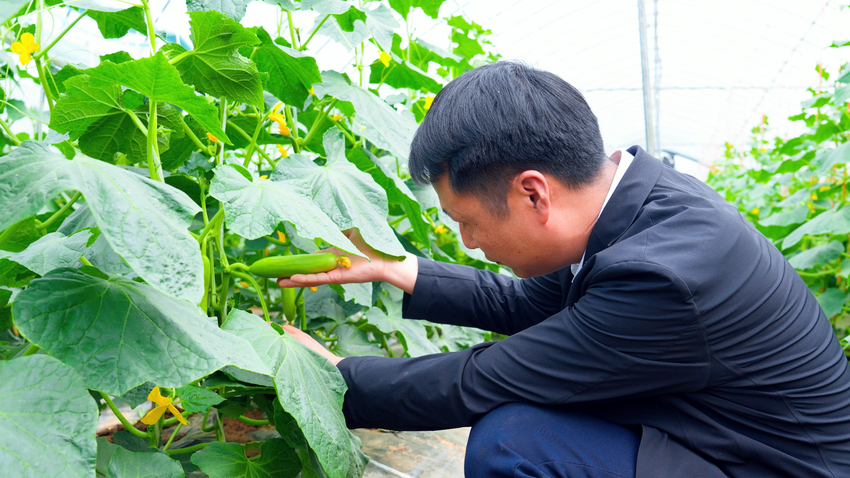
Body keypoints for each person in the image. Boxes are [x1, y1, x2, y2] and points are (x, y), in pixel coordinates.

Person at [278, 62, 850, 477]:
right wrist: (392, 266)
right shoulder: (631, 209)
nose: (469, 242)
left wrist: (333, 376)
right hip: (719, 433)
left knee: (515, 443)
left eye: (468, 222)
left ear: (534, 194)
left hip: (775, 467)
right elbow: (522, 305)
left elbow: (485, 379)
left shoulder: (663, 279)